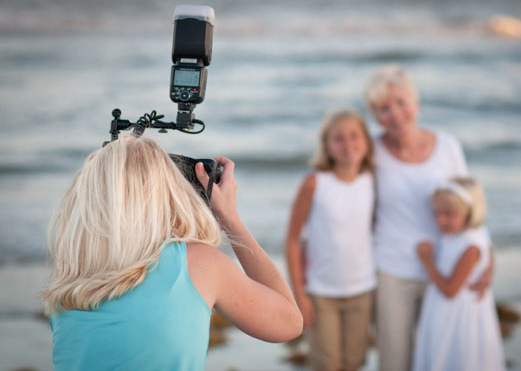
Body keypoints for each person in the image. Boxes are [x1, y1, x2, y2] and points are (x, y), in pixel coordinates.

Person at [42, 135, 303, 371]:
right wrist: (229, 217)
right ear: (167, 193)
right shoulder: (197, 263)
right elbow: (289, 323)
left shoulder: (68, 285)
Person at [363, 64, 494, 371]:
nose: (394, 114)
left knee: (442, 356)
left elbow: (469, 205)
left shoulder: (448, 146)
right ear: (373, 114)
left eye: (401, 103)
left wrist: (489, 257)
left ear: (416, 103)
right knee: (395, 359)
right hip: (392, 269)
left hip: (446, 267)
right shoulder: (369, 149)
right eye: (383, 108)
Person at [285, 109, 377, 371]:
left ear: (367, 141)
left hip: (362, 291)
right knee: (327, 364)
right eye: (338, 138)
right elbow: (292, 240)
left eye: (354, 135)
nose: (348, 144)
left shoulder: (372, 179)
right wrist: (299, 295)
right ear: (326, 145)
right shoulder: (315, 183)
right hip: (321, 294)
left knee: (354, 362)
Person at [412, 177, 505, 371]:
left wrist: (427, 261)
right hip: (443, 310)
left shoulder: (470, 246)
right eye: (437, 212)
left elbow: (450, 290)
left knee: (456, 357)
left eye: (449, 214)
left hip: (457, 316)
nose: (440, 219)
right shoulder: (458, 234)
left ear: (469, 213)